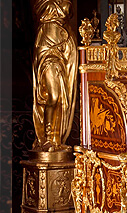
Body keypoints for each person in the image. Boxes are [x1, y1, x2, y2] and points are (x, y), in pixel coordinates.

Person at [33, 0, 77, 152]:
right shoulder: (43, 3)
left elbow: (68, 13)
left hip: (62, 47)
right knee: (52, 96)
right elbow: (40, 8)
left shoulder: (65, 2)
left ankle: (56, 139)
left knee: (62, 97)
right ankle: (46, 138)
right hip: (46, 47)